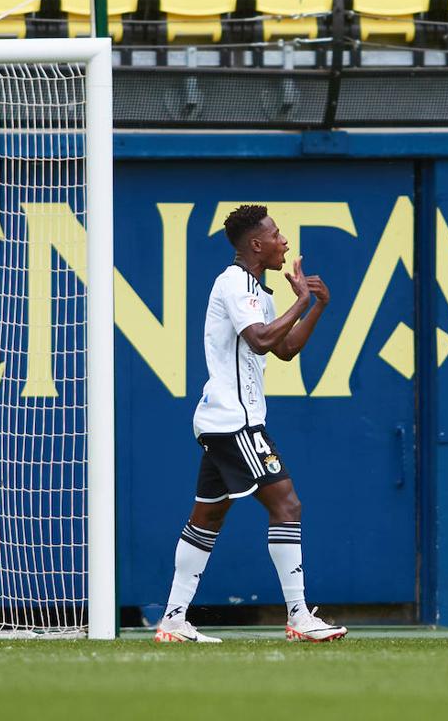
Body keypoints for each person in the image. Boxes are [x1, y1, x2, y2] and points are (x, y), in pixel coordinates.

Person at [154, 204, 347, 644]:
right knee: (287, 505)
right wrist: (300, 299)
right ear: (256, 244)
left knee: (207, 517)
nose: (285, 242)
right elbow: (259, 338)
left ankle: (173, 619)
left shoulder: (260, 292)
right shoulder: (232, 282)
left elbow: (283, 349)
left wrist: (316, 306)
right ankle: (299, 616)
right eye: (277, 235)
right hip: (233, 421)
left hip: (226, 420)